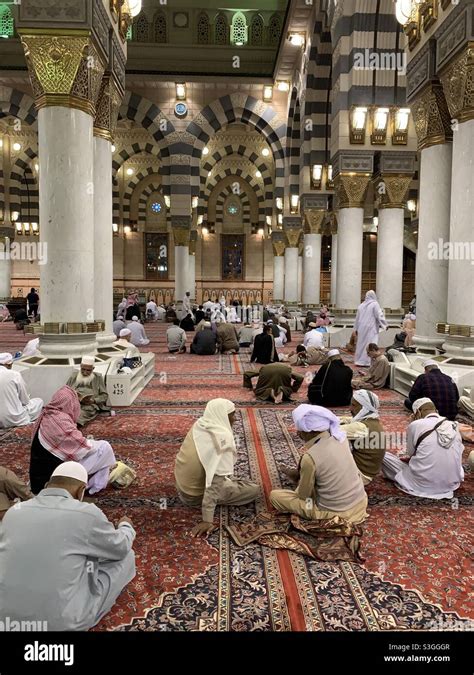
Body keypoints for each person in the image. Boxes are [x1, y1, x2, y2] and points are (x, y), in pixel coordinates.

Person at [0, 461, 136, 631]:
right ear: (80, 491)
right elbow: (120, 547)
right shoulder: (86, 513)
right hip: (62, 622)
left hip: (6, 618)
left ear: (47, 486)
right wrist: (126, 527)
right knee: (126, 557)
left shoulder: (14, 512)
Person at [175, 399, 258, 537]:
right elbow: (213, 486)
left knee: (229, 478)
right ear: (222, 416)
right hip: (194, 496)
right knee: (253, 489)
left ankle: (229, 483)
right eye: (232, 415)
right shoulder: (222, 439)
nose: (235, 419)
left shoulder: (200, 424)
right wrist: (207, 520)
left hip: (181, 487)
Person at [270, 405, 368, 523]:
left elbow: (304, 496)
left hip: (335, 513)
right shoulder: (341, 438)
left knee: (275, 496)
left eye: (300, 430)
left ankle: (313, 511)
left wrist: (304, 495)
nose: (298, 434)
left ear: (308, 432)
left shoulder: (310, 457)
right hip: (361, 503)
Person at [29, 386, 116, 495]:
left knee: (97, 449)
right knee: (104, 448)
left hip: (38, 477)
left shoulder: (47, 414)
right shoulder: (60, 420)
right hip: (51, 478)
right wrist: (92, 443)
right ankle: (93, 486)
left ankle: (93, 484)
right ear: (70, 403)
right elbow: (84, 447)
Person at [382, 398, 464, 499]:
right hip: (450, 483)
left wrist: (411, 424)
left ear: (418, 412)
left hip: (421, 485)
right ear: (436, 411)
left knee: (383, 456)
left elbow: (411, 453)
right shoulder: (453, 425)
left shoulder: (416, 424)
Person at [338, 390, 385, 484]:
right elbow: (347, 420)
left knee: (331, 440)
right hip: (367, 472)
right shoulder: (372, 420)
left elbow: (331, 431)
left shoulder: (361, 427)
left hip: (360, 476)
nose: (350, 409)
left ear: (364, 408)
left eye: (354, 405)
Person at [0, 353, 43, 429]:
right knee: (39, 402)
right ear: (9, 364)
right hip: (14, 418)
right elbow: (25, 401)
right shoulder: (14, 374)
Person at [66, 356, 110, 427]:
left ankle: (71, 426)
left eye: (88, 370)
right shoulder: (74, 376)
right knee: (63, 413)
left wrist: (94, 400)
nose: (85, 372)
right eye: (83, 369)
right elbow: (65, 390)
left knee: (79, 415)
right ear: (80, 366)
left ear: (93, 369)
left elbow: (104, 396)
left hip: (89, 405)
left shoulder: (97, 377)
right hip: (73, 403)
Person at [354, 290, 388, 367]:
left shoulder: (361, 305)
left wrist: (356, 329)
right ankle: (368, 361)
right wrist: (385, 325)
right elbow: (379, 315)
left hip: (361, 328)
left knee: (361, 344)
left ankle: (360, 361)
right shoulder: (375, 304)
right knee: (371, 344)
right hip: (371, 328)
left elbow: (357, 319)